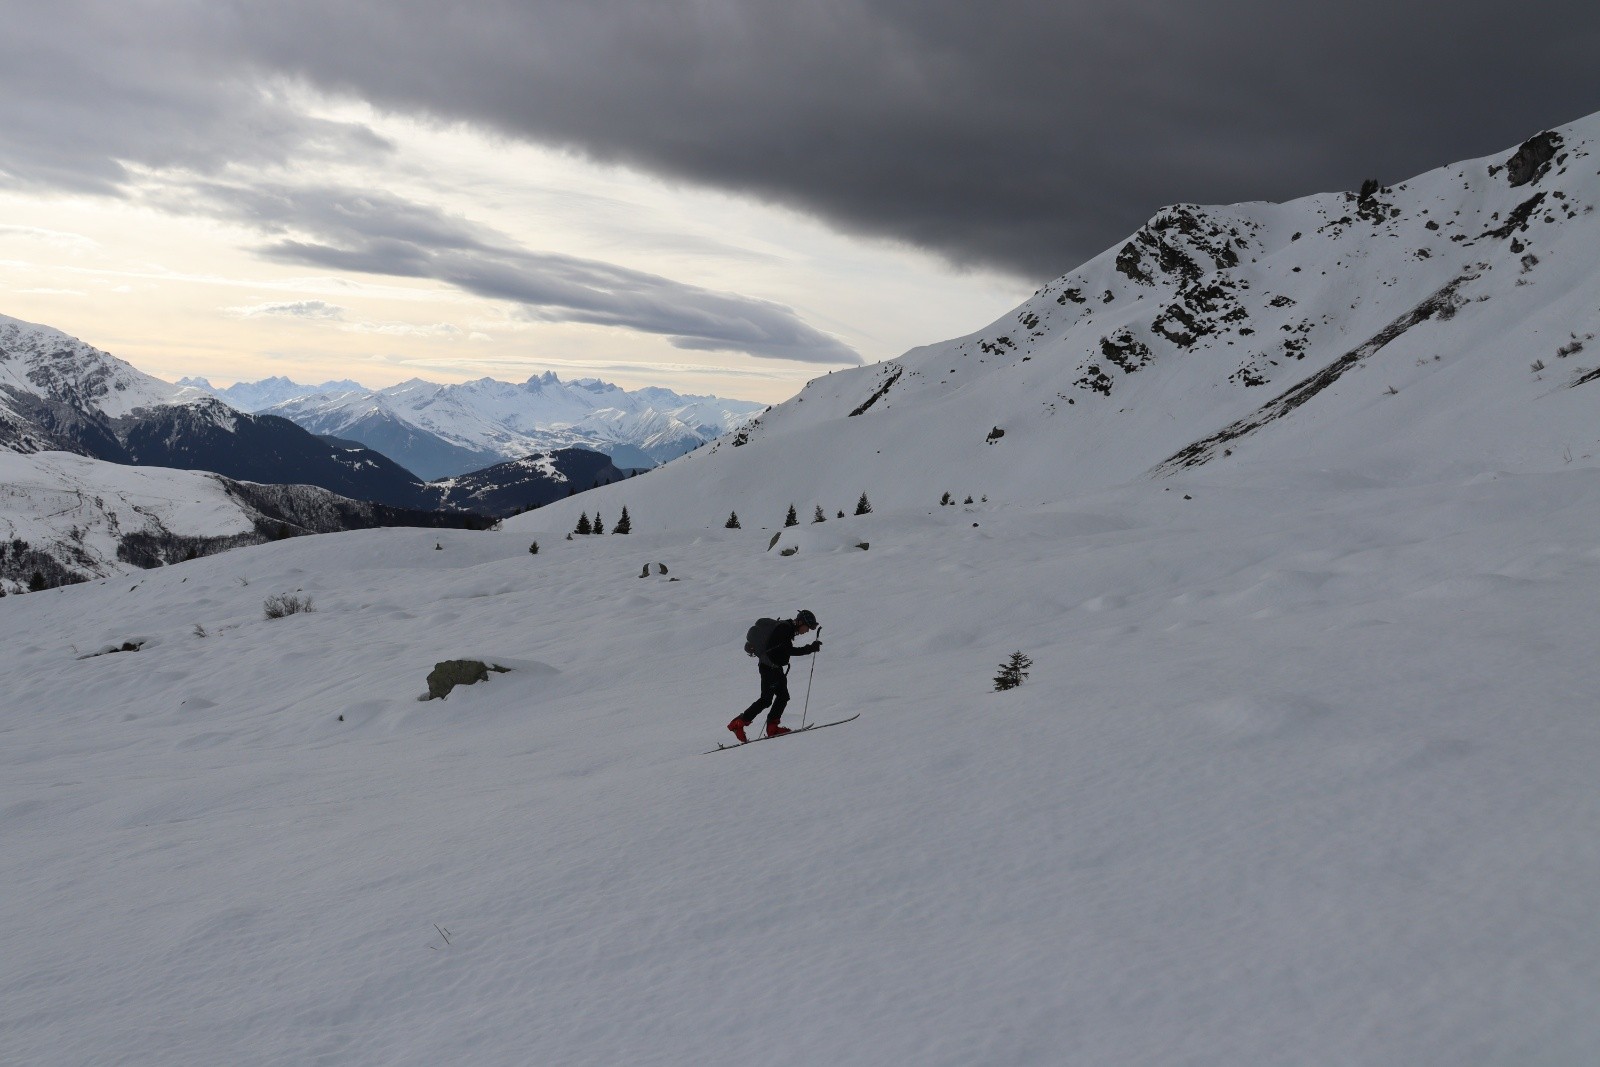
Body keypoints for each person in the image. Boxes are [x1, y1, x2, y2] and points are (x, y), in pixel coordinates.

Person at [727, 609, 822, 741]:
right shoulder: (785, 629)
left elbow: (783, 650)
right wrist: (809, 649)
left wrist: (809, 649)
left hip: (774, 668)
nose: (807, 631)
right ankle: (738, 723)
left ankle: (772, 728)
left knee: (783, 696)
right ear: (800, 622)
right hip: (768, 668)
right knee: (766, 699)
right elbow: (788, 650)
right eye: (807, 627)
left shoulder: (786, 629)